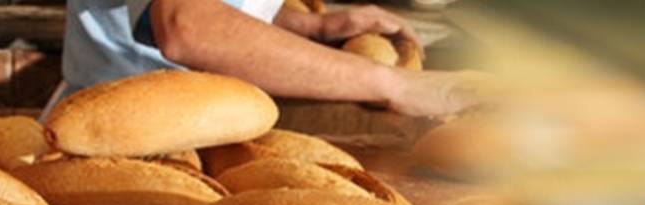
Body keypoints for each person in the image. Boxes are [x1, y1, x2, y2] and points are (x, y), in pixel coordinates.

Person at [53, 0, 484, 117]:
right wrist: (394, 84)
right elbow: (187, 24)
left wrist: (312, 26)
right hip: (113, 142)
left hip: (204, 132)